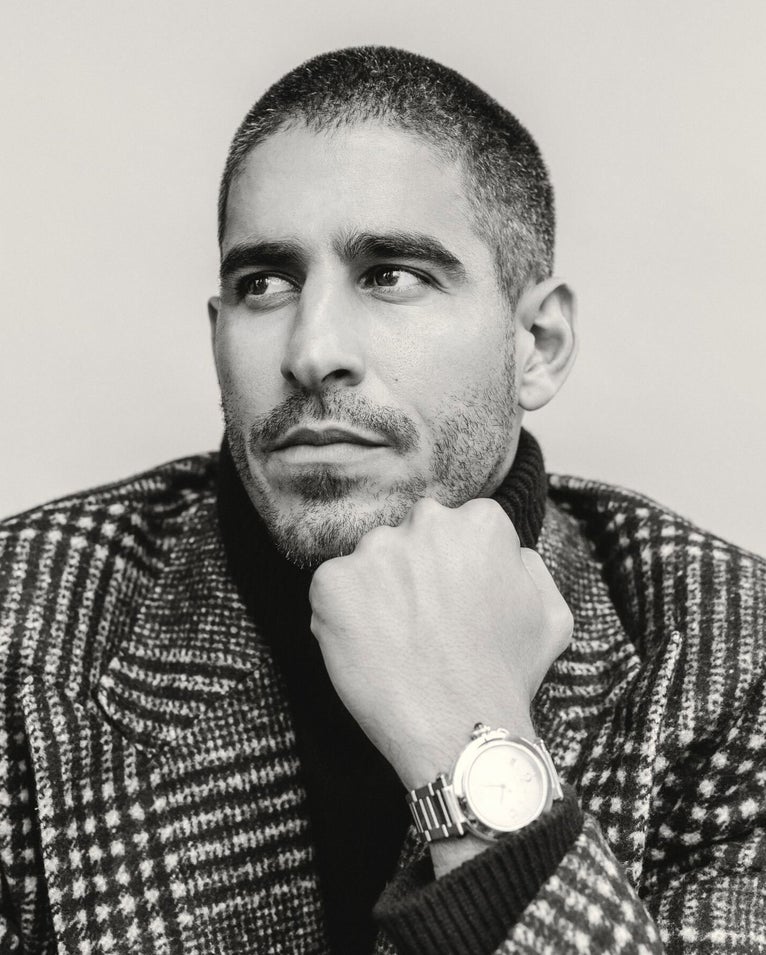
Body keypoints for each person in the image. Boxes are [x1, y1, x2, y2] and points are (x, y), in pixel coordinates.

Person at [0, 45, 763, 955]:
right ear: (217, 336)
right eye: (263, 284)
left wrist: (467, 751)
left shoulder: (734, 658)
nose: (312, 350)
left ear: (539, 343)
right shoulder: (20, 630)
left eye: (392, 273)